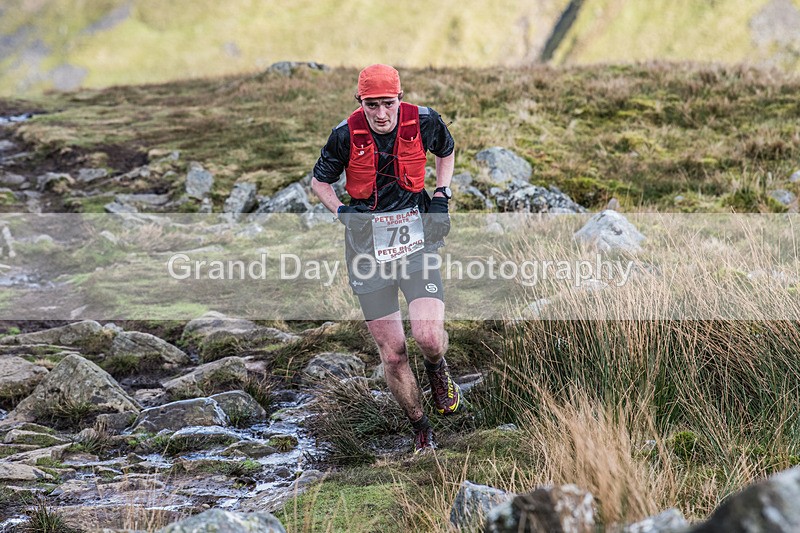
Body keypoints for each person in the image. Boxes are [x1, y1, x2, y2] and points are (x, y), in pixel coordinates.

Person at [311, 64, 461, 454]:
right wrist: (342, 212)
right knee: (393, 354)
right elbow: (319, 181)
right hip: (367, 252)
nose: (381, 114)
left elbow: (447, 150)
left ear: (400, 97)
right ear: (360, 101)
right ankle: (421, 429)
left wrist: (441, 196)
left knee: (428, 337)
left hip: (416, 243)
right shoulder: (344, 135)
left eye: (388, 103)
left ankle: (437, 368)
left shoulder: (425, 120)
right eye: (372, 105)